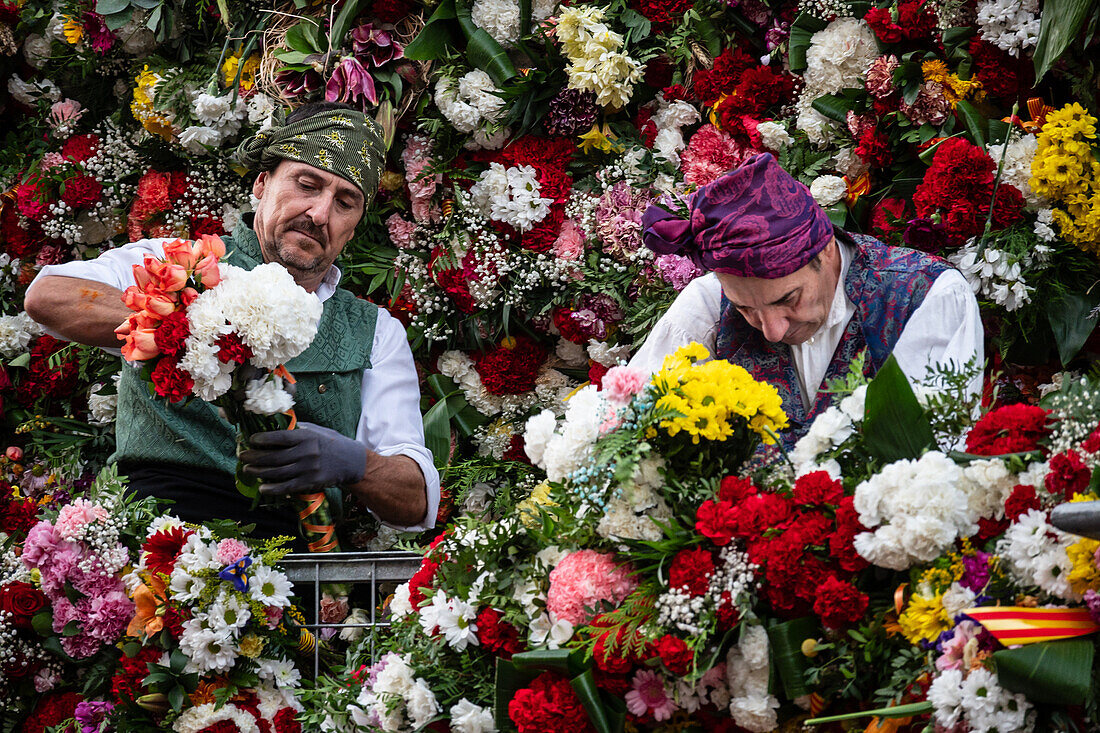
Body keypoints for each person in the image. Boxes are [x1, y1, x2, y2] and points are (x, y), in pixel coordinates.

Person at [24, 102, 439, 539]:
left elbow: (415, 500)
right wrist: (194, 322)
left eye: (345, 202)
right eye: (306, 184)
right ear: (262, 183)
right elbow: (49, 296)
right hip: (153, 539)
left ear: (353, 227)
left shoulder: (375, 333)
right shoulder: (179, 266)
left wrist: (354, 463)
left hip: (290, 562)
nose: (319, 213)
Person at [631, 153, 983, 447]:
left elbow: (936, 452)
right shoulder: (708, 302)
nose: (771, 330)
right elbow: (628, 423)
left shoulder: (926, 295)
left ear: (827, 250)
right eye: (745, 309)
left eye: (788, 298)